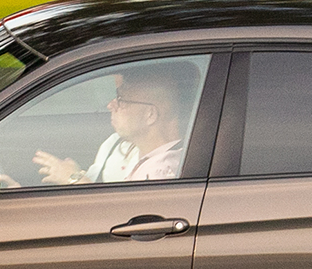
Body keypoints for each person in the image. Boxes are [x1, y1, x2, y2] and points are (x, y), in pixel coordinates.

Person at [34, 61, 196, 185]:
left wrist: (73, 178)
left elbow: (120, 219)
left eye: (121, 100)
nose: (111, 105)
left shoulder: (160, 173)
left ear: (150, 114)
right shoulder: (153, 159)